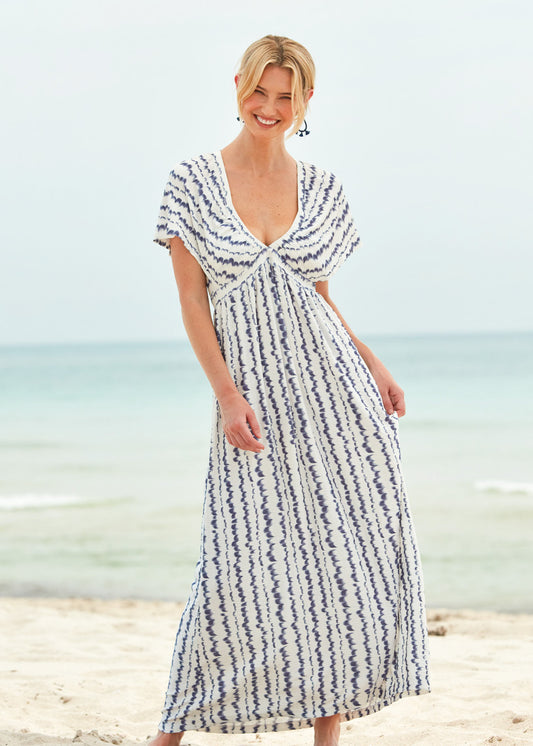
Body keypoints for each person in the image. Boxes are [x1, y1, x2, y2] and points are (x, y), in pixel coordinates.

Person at [150, 34, 430, 746]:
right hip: (252, 407)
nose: (268, 108)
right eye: (259, 91)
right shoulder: (192, 182)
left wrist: (372, 363)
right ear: (237, 85)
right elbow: (192, 301)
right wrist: (225, 393)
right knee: (231, 572)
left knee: (336, 567)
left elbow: (319, 298)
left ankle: (326, 739)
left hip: (337, 401)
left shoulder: (325, 189)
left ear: (305, 102)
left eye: (285, 96)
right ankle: (170, 733)